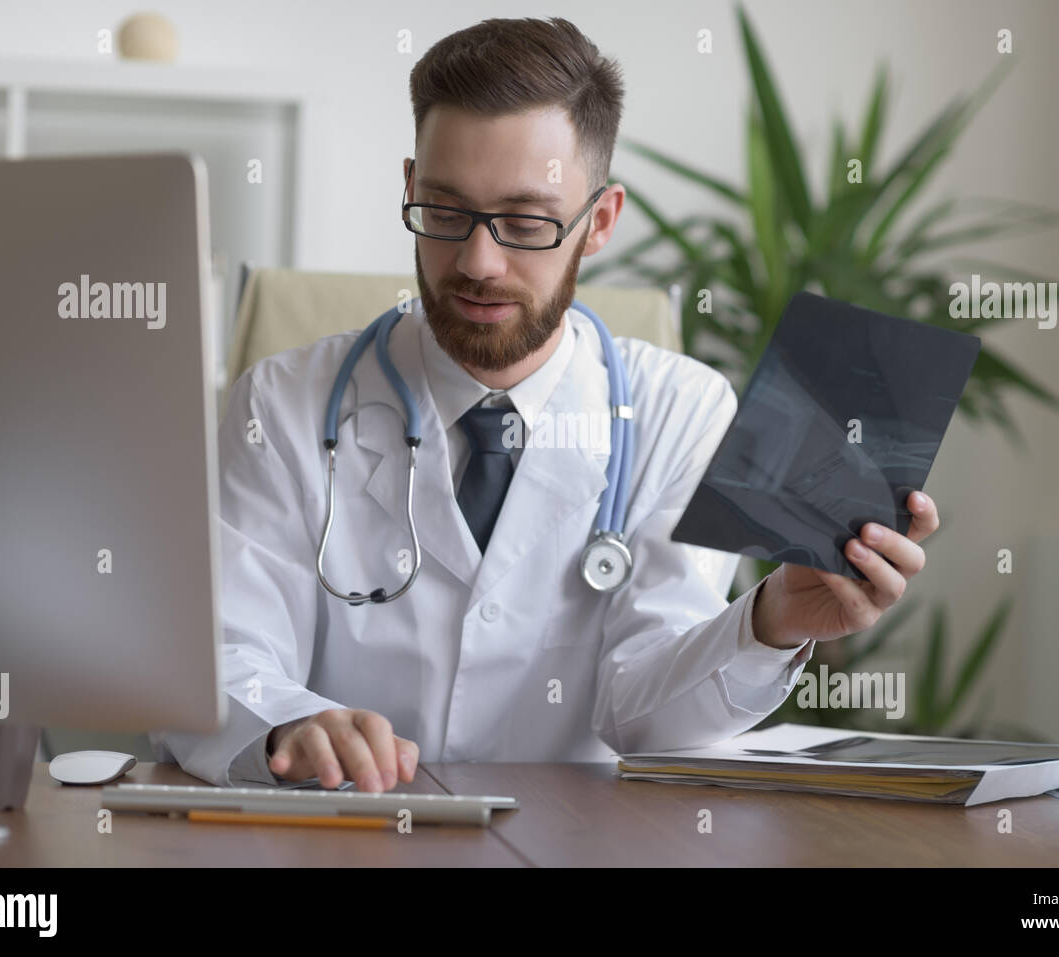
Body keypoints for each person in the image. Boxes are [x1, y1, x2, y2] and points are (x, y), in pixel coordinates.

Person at [154, 16, 940, 790]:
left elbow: (642, 713)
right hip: (350, 842)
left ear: (598, 222)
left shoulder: (680, 411)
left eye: (525, 221)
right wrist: (287, 724)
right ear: (409, 188)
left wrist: (769, 622)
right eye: (446, 211)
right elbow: (219, 662)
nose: (477, 261)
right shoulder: (284, 404)